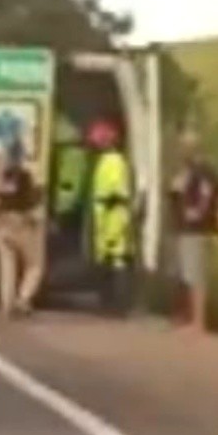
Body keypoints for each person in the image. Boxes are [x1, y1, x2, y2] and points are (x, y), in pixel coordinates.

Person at [168, 128, 218, 333]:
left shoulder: (203, 170)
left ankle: (198, 322)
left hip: (196, 229)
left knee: (195, 276)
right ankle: (186, 317)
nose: (182, 151)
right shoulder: (187, 170)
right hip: (183, 228)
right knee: (184, 274)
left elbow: (207, 193)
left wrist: (197, 212)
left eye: (185, 147)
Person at [0, 138, 43, 318]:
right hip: (20, 223)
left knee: (7, 265)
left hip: (1, 224)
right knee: (35, 264)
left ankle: (6, 304)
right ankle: (23, 299)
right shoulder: (24, 176)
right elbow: (30, 202)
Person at [85, 120, 135, 316]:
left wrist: (110, 220)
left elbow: (117, 194)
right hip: (105, 218)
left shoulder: (114, 161)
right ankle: (109, 304)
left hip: (113, 219)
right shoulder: (107, 160)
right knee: (107, 261)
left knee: (116, 260)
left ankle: (117, 305)